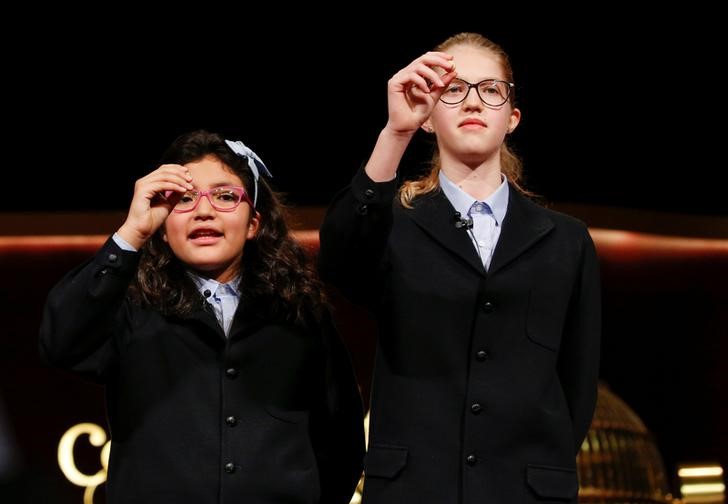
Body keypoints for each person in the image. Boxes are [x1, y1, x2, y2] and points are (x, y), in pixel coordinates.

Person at [319, 32, 601, 504]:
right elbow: (338, 259)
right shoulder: (392, 228)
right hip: (414, 488)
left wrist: (540, 471)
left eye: (490, 89)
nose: (473, 102)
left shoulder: (567, 241)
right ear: (428, 114)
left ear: (512, 117)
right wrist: (395, 134)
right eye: (453, 89)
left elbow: (578, 382)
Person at [40, 130, 364, 503]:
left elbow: (341, 438)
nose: (204, 211)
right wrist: (131, 233)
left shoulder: (299, 311)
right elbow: (60, 342)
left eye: (226, 196)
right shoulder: (129, 306)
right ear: (162, 228)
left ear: (254, 223)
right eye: (184, 199)